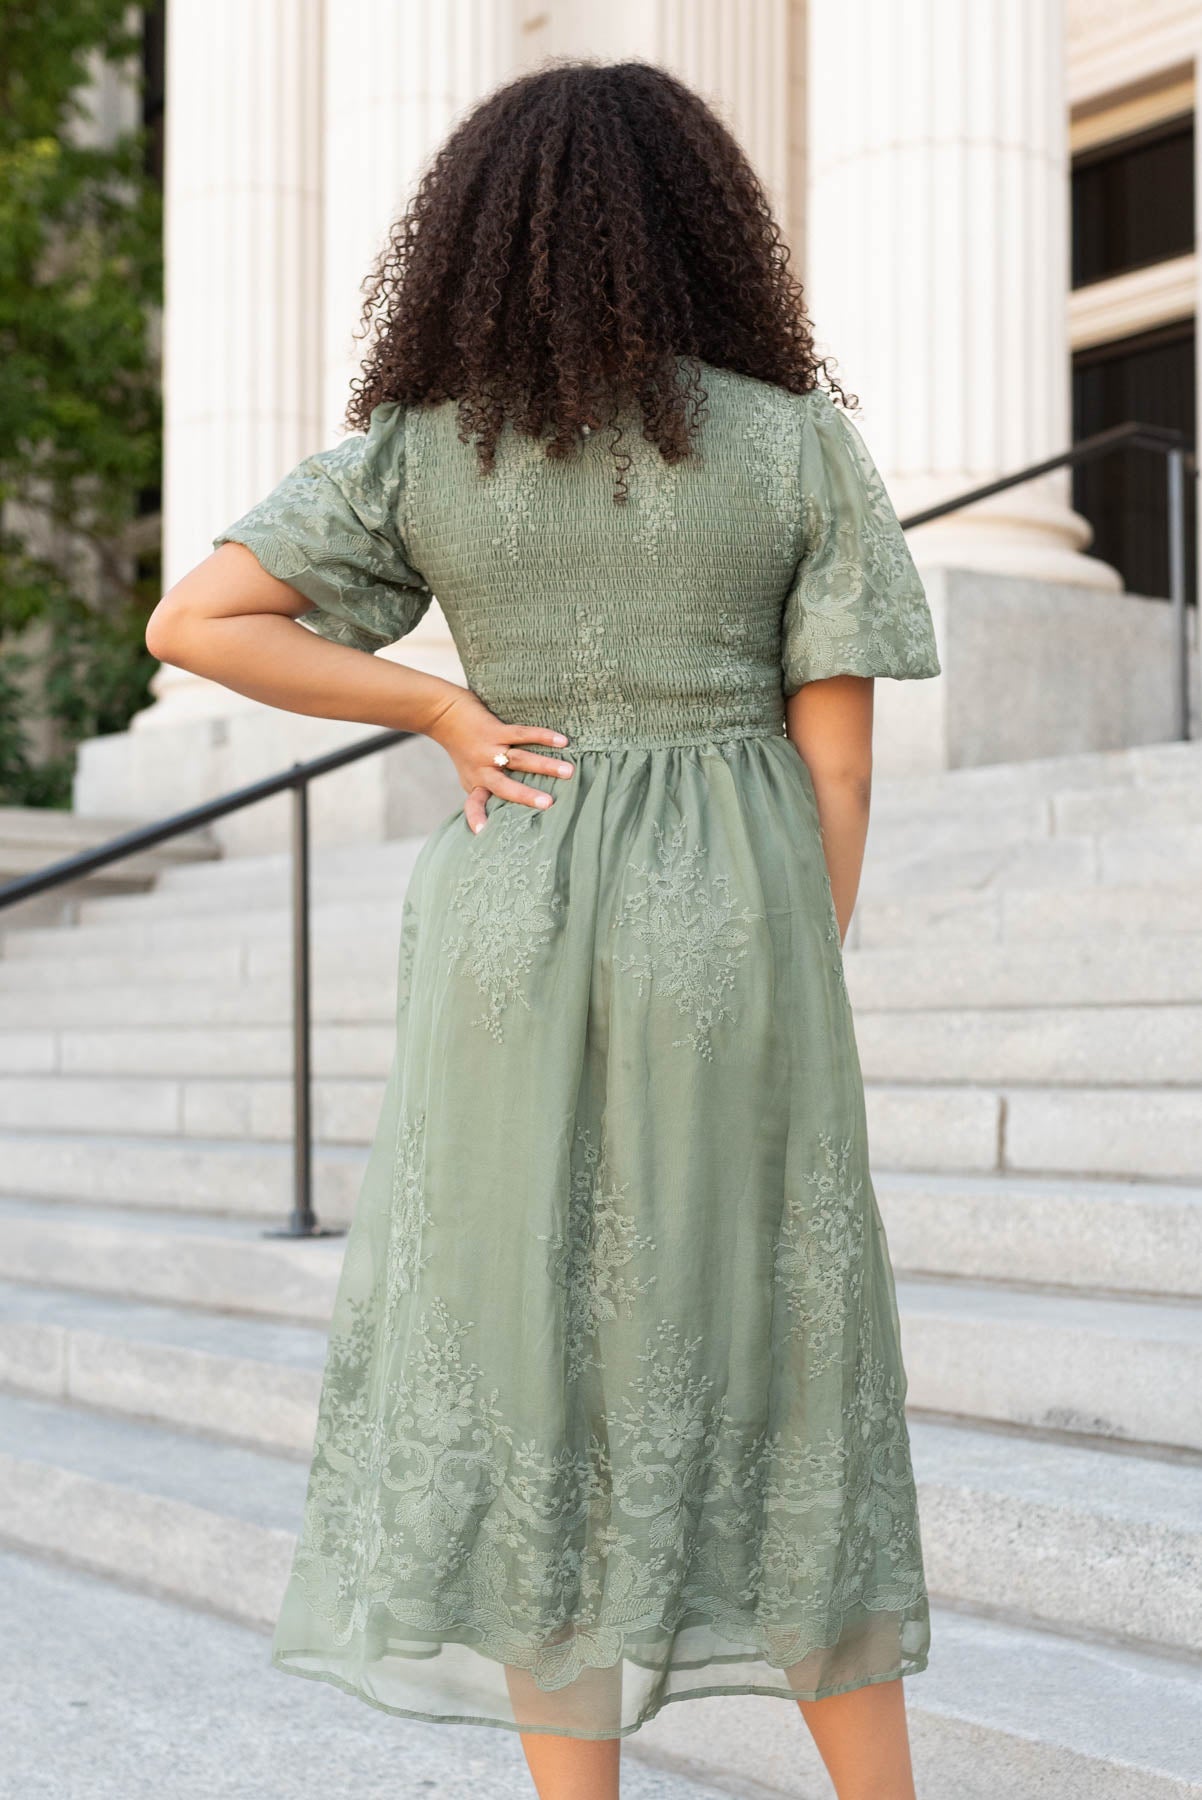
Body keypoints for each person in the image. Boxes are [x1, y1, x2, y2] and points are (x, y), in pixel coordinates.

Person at [146, 57, 941, 1800]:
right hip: (737, 920)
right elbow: (843, 770)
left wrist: (437, 709)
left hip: (514, 897)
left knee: (531, 1356)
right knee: (787, 1355)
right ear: (705, 228)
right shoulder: (796, 440)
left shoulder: (430, 450)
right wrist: (794, 969)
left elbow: (194, 622)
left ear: (471, 242)